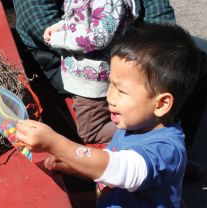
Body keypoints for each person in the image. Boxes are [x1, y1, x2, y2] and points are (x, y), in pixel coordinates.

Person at [16, 23, 200, 208]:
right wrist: (73, 165)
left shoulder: (166, 149)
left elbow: (121, 170)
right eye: (110, 83)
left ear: (161, 104)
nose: (109, 96)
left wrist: (57, 143)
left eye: (121, 91)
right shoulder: (132, 126)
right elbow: (110, 169)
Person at [13, 0, 207, 146]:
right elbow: (38, 24)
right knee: (125, 101)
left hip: (122, 46)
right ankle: (157, 133)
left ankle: (172, 149)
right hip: (63, 55)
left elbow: (158, 12)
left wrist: (156, 55)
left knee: (203, 56)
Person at [42, 0, 139, 144]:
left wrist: (59, 38)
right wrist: (60, 27)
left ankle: (146, 127)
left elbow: (99, 37)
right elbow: (80, 20)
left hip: (93, 81)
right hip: (82, 76)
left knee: (91, 132)